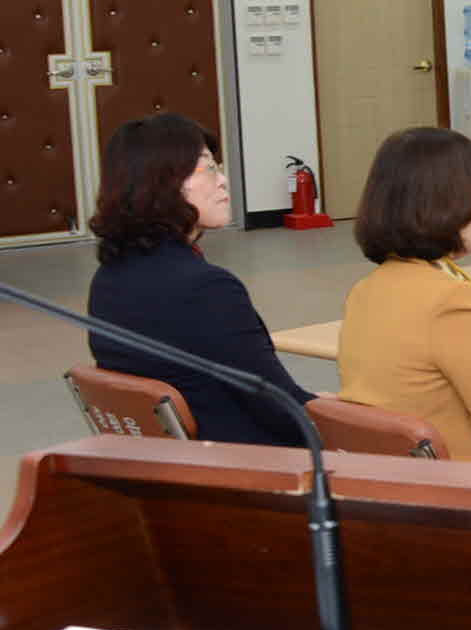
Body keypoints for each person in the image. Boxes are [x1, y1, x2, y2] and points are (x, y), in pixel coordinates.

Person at [84, 113, 315, 445]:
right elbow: (282, 410)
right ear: (163, 182)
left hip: (168, 462)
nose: (223, 181)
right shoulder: (205, 289)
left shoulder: (108, 279)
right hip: (249, 462)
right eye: (209, 168)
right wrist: (342, 416)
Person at [339, 127, 471, 466]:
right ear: (438, 205)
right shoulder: (451, 301)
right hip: (466, 484)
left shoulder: (365, 290)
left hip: (397, 480)